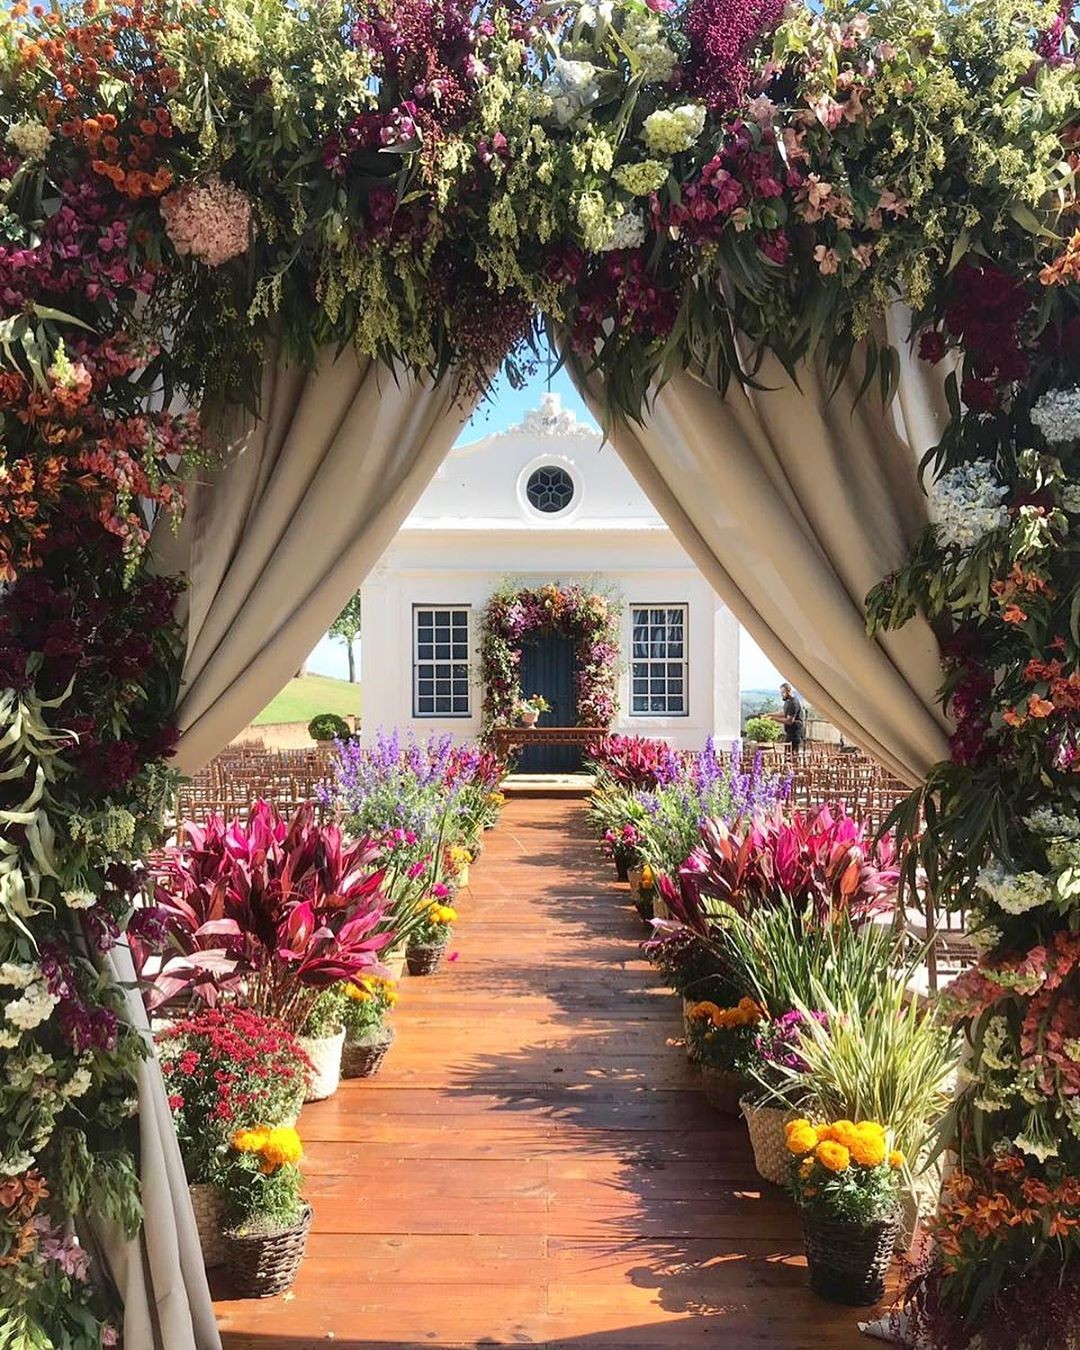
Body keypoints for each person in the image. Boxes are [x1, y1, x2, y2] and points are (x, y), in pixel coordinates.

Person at [771, 682, 805, 756]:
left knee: (793, 756)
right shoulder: (787, 702)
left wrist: (773, 719)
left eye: (783, 692)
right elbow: (783, 713)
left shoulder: (793, 702)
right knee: (787, 755)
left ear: (789, 691)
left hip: (795, 734)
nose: (781, 694)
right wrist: (769, 714)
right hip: (790, 733)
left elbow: (789, 721)